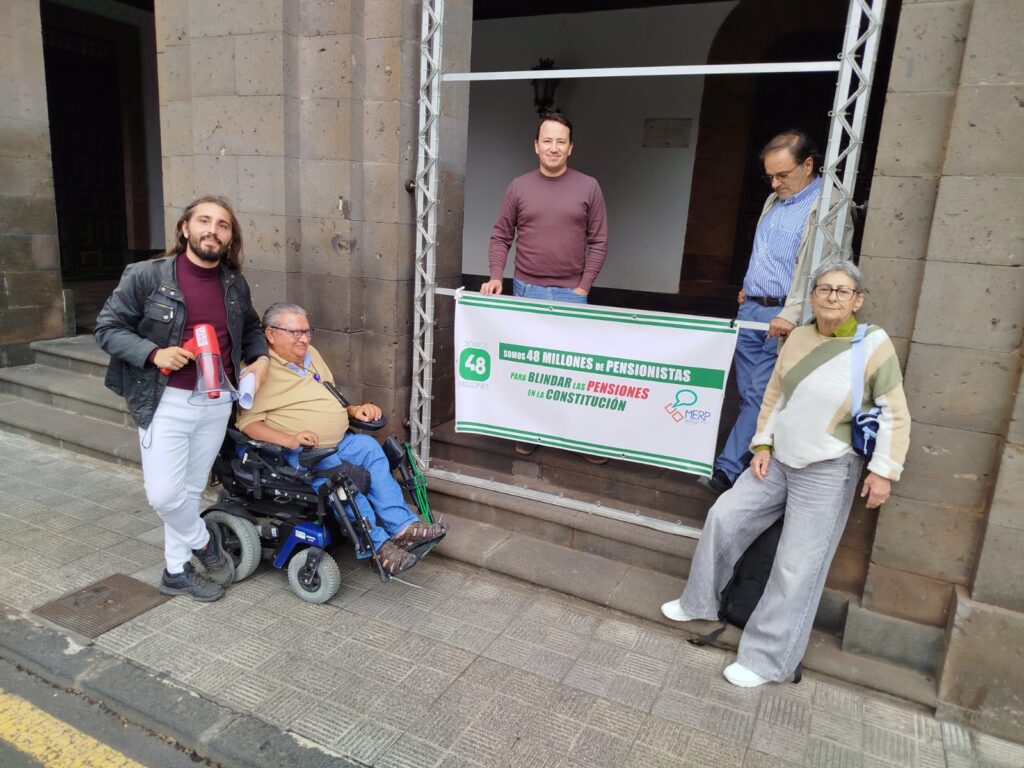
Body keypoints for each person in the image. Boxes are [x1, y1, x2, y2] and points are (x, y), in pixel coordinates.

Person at [661, 260, 910, 688]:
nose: (832, 297)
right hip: (777, 460)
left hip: (828, 468)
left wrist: (884, 471)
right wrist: (762, 444)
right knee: (724, 516)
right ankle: (698, 601)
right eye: (824, 289)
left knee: (796, 565)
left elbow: (896, 414)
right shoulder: (797, 337)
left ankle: (766, 660)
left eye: (842, 291)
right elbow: (775, 396)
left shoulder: (873, 344)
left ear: (858, 300)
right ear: (812, 296)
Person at [95, 196, 270, 602]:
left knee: (190, 491)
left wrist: (260, 359)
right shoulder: (146, 276)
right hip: (165, 399)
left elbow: (251, 329)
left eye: (223, 225)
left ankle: (175, 571)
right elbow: (107, 328)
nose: (213, 230)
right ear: (184, 228)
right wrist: (153, 353)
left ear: (230, 237)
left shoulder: (234, 283)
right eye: (204, 221)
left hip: (217, 400)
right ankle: (204, 543)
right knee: (163, 495)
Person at [235, 303, 447, 575]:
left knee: (369, 447)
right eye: (295, 332)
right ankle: (377, 546)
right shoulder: (257, 371)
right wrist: (289, 439)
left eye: (307, 331)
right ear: (271, 334)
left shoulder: (311, 354)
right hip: (303, 453)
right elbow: (248, 423)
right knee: (336, 472)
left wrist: (354, 410)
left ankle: (403, 527)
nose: (304, 339)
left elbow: (329, 395)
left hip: (338, 440)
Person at [699, 130, 851, 496]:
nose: (775, 183)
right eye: (770, 176)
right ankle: (758, 463)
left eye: (782, 175)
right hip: (752, 309)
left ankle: (728, 470)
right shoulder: (773, 201)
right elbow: (767, 253)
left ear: (808, 165)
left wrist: (793, 312)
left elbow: (826, 270)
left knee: (760, 393)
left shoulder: (829, 207)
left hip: (784, 316)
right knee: (750, 395)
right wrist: (749, 287)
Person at [481, 110, 609, 460]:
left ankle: (580, 438)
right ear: (536, 146)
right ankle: (528, 431)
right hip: (527, 291)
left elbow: (599, 241)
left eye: (561, 141)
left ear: (571, 147)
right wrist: (496, 276)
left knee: (574, 370)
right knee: (530, 368)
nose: (554, 147)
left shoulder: (589, 187)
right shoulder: (519, 187)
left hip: (572, 294)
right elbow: (500, 235)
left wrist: (584, 287)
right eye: (547, 140)